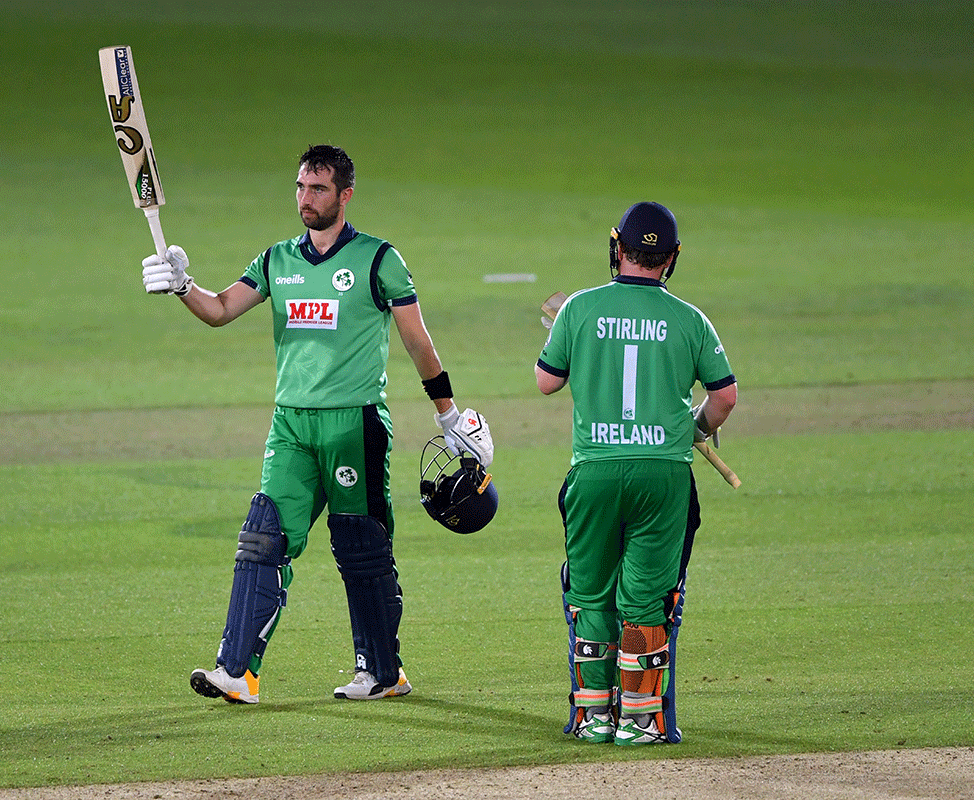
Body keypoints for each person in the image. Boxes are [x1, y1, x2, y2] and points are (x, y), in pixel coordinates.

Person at [139, 144, 493, 705]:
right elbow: (221, 309)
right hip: (291, 425)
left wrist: (447, 411)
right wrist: (184, 286)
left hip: (355, 424)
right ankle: (237, 671)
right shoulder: (277, 259)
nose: (307, 198)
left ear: (345, 195)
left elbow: (416, 339)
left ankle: (382, 672)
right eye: (302, 187)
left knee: (362, 549)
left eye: (319, 189)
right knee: (262, 539)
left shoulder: (379, 260)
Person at [534, 201, 736, 744]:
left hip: (595, 470)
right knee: (644, 599)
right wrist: (693, 426)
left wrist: (571, 344)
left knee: (591, 594)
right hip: (663, 473)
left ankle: (595, 715)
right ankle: (641, 720)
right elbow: (725, 397)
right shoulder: (691, 320)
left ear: (616, 246)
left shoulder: (579, 308)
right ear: (670, 259)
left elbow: (546, 382)